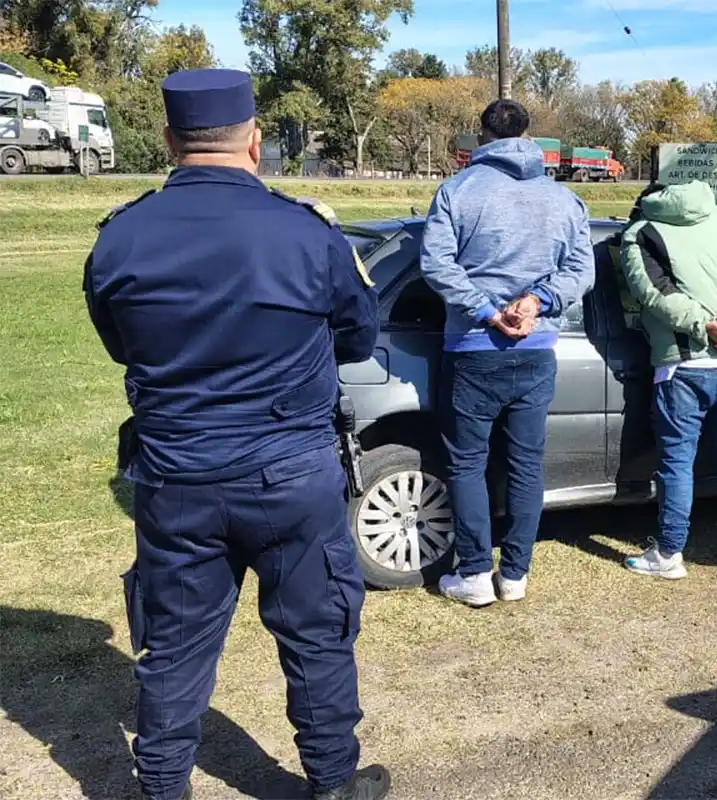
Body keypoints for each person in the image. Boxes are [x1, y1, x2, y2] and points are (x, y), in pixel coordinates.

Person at [84, 68, 390, 800]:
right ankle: (334, 783)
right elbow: (358, 337)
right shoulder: (306, 231)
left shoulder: (121, 237)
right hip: (290, 475)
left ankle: (161, 788)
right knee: (316, 638)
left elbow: (119, 343)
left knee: (175, 649)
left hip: (177, 478)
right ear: (255, 142)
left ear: (168, 140)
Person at [420, 99, 595, 608]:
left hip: (473, 349)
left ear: (482, 135)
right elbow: (581, 272)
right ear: (528, 136)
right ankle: (515, 573)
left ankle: (474, 572)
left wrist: (486, 310)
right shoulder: (564, 200)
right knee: (525, 465)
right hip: (537, 349)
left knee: (467, 464)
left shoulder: (457, 191)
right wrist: (538, 301)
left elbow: (436, 264)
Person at [618, 180, 717, 579]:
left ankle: (669, 553)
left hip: (682, 365)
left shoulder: (642, 232)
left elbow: (654, 293)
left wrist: (705, 327)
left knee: (676, 460)